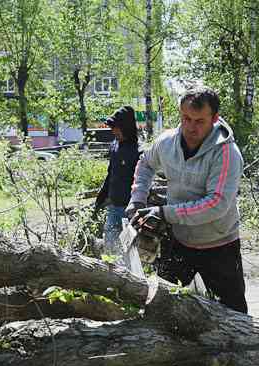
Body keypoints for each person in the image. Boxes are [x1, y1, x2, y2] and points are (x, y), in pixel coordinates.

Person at [126, 86, 247, 314]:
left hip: (220, 245)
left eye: (199, 121)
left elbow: (216, 204)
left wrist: (164, 213)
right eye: (186, 118)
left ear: (215, 118)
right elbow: (146, 164)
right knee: (160, 306)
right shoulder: (166, 142)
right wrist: (137, 199)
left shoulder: (227, 154)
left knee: (234, 313)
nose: (191, 127)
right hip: (178, 241)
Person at [95, 106, 141, 253]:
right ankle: (111, 271)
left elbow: (142, 183)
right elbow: (111, 173)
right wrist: (102, 195)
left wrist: (135, 207)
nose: (113, 131)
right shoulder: (114, 146)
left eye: (116, 128)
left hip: (129, 210)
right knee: (110, 245)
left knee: (128, 248)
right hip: (113, 206)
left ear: (125, 128)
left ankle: (129, 274)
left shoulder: (138, 151)